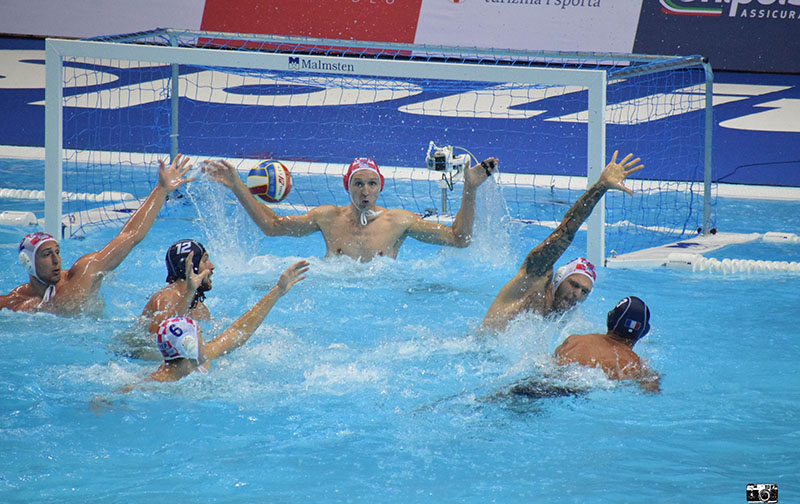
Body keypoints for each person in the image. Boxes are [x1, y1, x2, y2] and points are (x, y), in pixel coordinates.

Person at [202, 155, 499, 262]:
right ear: (347, 186)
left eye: (371, 184)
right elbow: (272, 227)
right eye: (358, 184)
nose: (365, 191)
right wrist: (237, 185)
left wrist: (470, 188)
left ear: (380, 187)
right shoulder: (327, 218)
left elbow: (460, 239)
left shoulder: (399, 222)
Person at [0, 155, 194, 316]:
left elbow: (130, 235)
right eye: (46, 254)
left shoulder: (83, 275)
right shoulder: (14, 303)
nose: (56, 260)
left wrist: (161, 190)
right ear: (28, 262)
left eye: (57, 252)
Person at [482, 151, 644, 330]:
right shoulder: (532, 283)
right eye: (574, 284)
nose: (577, 294)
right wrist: (601, 187)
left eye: (584, 292)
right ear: (559, 279)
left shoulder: (569, 323)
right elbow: (565, 232)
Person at [122, 260, 309, 389]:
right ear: (190, 345)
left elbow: (237, 332)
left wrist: (277, 291)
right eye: (199, 334)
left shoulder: (196, 358)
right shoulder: (150, 387)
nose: (203, 338)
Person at [552, 296, 659, 393]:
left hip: (551, 381)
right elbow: (651, 391)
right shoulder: (634, 365)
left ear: (610, 319)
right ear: (644, 332)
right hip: (582, 392)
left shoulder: (573, 341)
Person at [140, 239, 215, 334]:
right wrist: (190, 291)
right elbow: (158, 335)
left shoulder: (201, 310)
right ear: (190, 266)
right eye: (205, 260)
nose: (211, 266)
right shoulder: (163, 300)